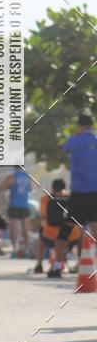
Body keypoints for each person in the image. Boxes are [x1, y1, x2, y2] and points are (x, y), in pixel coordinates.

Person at [55, 111, 97, 269]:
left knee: (66, 228)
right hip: (96, 191)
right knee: (95, 228)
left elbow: (63, 148)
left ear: (79, 126)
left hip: (79, 192)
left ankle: (57, 265)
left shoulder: (74, 141)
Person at [34, 179, 80, 276]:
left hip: (50, 235)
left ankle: (39, 264)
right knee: (79, 233)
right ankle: (78, 263)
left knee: (41, 233)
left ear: (52, 188)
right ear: (65, 187)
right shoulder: (72, 198)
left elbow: (44, 215)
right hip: (72, 235)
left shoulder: (45, 198)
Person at [0, 167, 32, 257]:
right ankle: (27, 249)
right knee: (25, 229)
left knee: (14, 228)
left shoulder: (12, 175)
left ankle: (14, 248)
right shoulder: (27, 175)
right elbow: (30, 189)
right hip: (25, 204)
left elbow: (0, 188)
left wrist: (8, 188)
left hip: (14, 204)